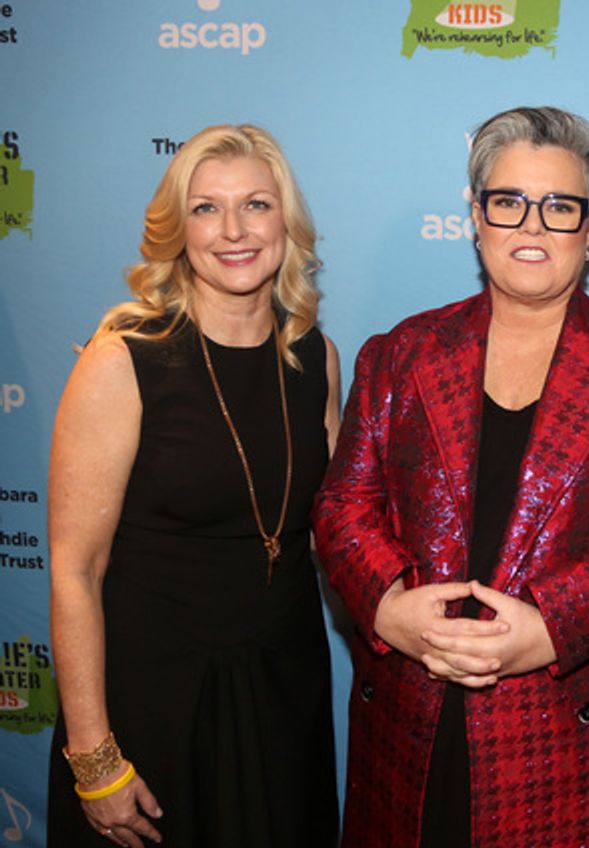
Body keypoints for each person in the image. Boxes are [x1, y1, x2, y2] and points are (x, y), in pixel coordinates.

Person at [312, 106, 589, 848]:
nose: (532, 226)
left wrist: (552, 627)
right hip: (411, 728)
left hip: (565, 739)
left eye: (559, 207)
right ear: (475, 215)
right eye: (509, 202)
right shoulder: (400, 355)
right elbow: (342, 506)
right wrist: (389, 607)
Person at [47, 124, 341, 848]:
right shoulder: (126, 360)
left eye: (257, 205)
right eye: (207, 208)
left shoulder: (316, 356)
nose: (234, 230)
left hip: (283, 697)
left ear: (287, 223)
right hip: (156, 707)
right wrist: (95, 760)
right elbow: (75, 572)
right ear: (178, 230)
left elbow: (332, 533)